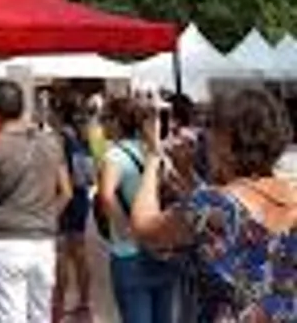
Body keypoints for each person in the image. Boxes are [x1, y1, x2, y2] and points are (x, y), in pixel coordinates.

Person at [132, 88, 296, 322]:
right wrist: (187, 174)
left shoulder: (214, 205)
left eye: (210, 130)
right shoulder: (291, 193)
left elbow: (143, 229)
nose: (204, 140)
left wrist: (152, 157)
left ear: (226, 141)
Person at [0, 80, 72, 323]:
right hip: (43, 243)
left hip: (6, 243)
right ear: (23, 107)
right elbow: (67, 192)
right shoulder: (52, 143)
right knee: (41, 316)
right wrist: (49, 216)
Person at [98, 96, 178, 323]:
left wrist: (125, 229)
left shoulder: (114, 155)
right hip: (161, 248)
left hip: (129, 252)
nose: (101, 124)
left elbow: (106, 195)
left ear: (116, 122)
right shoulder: (155, 152)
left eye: (104, 119)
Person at [53, 93, 95, 322]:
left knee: (60, 252)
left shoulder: (60, 136)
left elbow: (55, 168)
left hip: (63, 196)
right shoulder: (84, 134)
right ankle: (84, 302)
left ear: (59, 113)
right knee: (79, 250)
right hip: (80, 196)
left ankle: (57, 305)